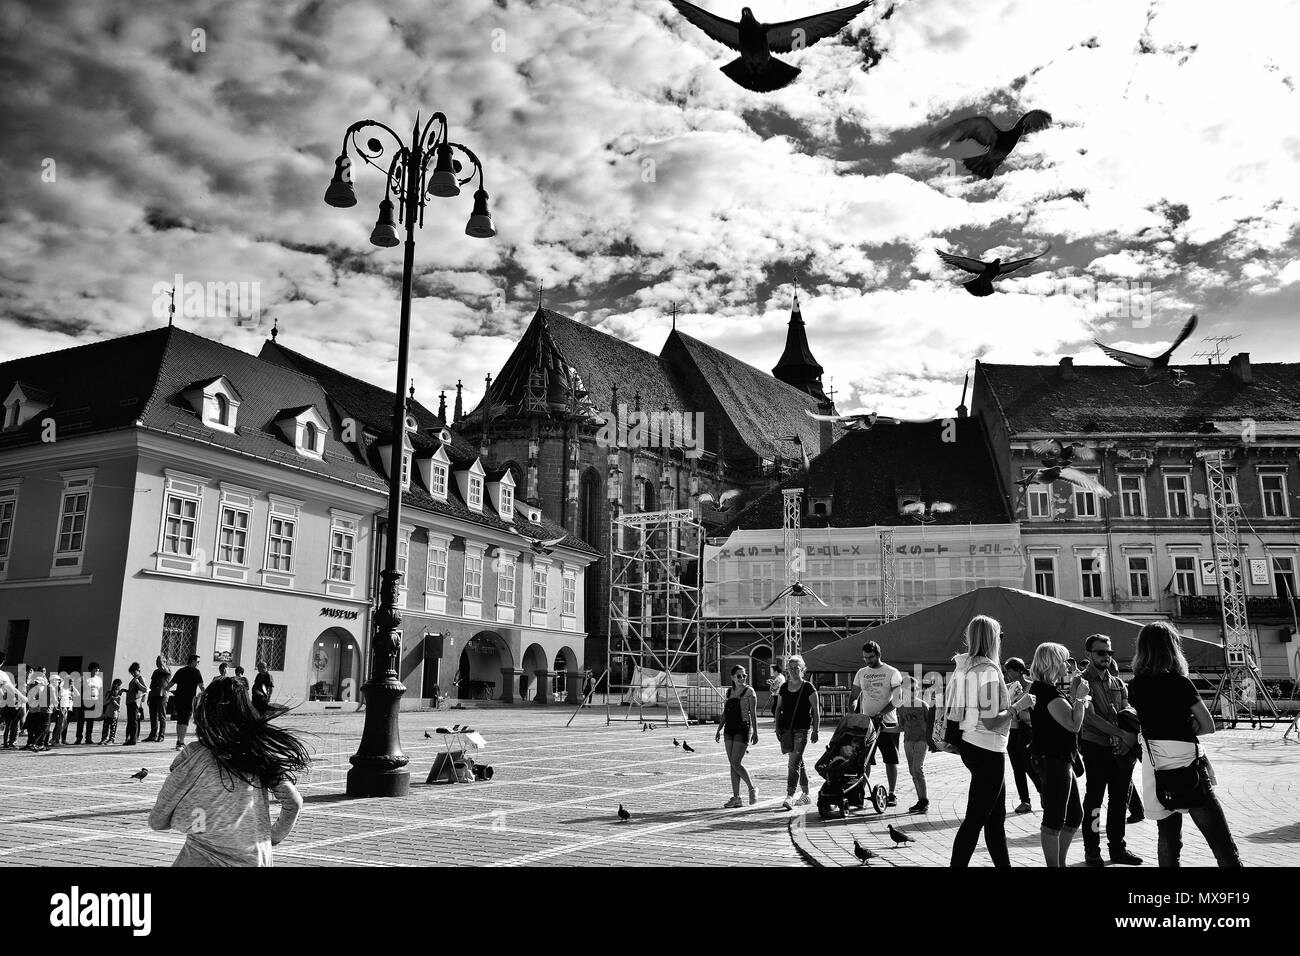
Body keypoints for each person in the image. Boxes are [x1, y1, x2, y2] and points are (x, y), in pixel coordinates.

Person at [148, 676, 309, 866]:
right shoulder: (257, 755)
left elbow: (158, 818)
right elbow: (294, 802)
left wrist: (195, 822)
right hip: (253, 859)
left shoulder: (195, 755)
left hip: (201, 856)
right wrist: (271, 837)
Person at [1129, 622, 1242, 867]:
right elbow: (1208, 725)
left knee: (1169, 838)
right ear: (1172, 648)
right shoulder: (1179, 683)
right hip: (1186, 762)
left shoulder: (1136, 685)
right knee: (1221, 843)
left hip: (1156, 763)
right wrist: (1189, 723)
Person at [948, 615, 1013, 868]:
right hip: (987, 747)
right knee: (976, 819)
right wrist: (1018, 706)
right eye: (1000, 635)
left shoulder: (964, 666)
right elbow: (991, 721)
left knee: (994, 819)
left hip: (970, 742)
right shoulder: (987, 669)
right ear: (992, 639)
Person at [1077, 634, 1142, 867]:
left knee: (1119, 801)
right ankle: (1092, 851)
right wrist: (1120, 734)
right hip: (1096, 747)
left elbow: (1127, 712)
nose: (1106, 657)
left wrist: (1127, 739)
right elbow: (1090, 718)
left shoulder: (1118, 683)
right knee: (1094, 801)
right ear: (1089, 654)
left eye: (1109, 653)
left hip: (1121, 750)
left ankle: (1118, 849)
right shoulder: (1081, 682)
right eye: (1101, 652)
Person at [1028, 642, 1088, 866]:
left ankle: (1059, 862)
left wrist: (1075, 691)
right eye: (1064, 660)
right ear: (1052, 663)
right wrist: (1081, 698)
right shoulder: (1047, 691)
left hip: (1059, 757)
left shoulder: (1046, 688)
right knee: (1054, 819)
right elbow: (1073, 724)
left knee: (1074, 816)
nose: (1068, 664)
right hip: (1052, 758)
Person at [851, 641, 903, 807]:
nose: (868, 660)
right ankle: (860, 793)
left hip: (887, 724)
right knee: (864, 760)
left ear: (879, 654)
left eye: (871, 657)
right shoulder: (861, 672)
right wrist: (852, 710)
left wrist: (882, 713)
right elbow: (854, 696)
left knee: (890, 759)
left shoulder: (892, 672)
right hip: (867, 725)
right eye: (865, 657)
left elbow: (898, 699)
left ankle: (892, 793)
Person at [773, 655, 820, 810]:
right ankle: (806, 794)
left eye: (796, 667)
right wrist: (777, 727)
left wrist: (816, 730)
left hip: (802, 729)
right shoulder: (784, 687)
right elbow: (779, 708)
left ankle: (790, 795)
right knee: (798, 761)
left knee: (793, 763)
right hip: (786, 729)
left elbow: (815, 710)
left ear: (803, 670)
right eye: (791, 667)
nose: (793, 670)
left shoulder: (808, 688)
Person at [715, 664, 759, 807]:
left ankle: (752, 788)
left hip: (743, 728)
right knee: (732, 764)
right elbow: (725, 713)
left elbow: (753, 713)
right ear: (732, 677)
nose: (742, 678)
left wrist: (756, 733)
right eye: (739, 676)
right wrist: (719, 729)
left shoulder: (749, 691)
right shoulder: (729, 692)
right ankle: (736, 798)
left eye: (744, 675)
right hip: (729, 729)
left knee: (736, 762)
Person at [1004, 657, 1042, 814]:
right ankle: (1024, 801)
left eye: (1010, 671)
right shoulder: (1007, 688)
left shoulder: (1033, 687)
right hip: (1012, 730)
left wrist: (1022, 706)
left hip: (1027, 730)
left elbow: (1037, 709)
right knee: (1016, 767)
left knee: (1029, 765)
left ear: (1019, 671)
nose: (1008, 675)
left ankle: (1043, 792)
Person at [896, 675, 937, 813]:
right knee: (912, 772)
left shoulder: (922, 705)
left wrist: (932, 742)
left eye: (915, 689)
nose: (912, 692)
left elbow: (930, 724)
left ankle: (924, 800)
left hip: (921, 740)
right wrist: (884, 729)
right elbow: (901, 726)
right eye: (909, 689)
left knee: (917, 769)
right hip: (908, 741)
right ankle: (920, 800)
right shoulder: (901, 707)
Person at [167, 655, 205, 749]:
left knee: (180, 720)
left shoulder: (180, 671)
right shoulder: (196, 672)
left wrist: (168, 690)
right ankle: (181, 742)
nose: (198, 663)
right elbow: (202, 687)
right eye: (197, 661)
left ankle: (179, 740)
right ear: (192, 661)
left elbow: (169, 685)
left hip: (179, 699)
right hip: (189, 700)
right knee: (185, 721)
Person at [1, 651, 27, 748]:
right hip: (10, 710)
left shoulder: (9, 689)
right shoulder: (11, 690)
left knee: (12, 727)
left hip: (13, 710)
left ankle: (10, 742)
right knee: (10, 727)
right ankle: (8, 742)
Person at [73, 662, 103, 745]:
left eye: (98, 668)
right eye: (95, 668)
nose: (97, 670)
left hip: (93, 701)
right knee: (81, 720)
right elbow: (76, 687)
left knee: (90, 721)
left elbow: (99, 690)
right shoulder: (84, 677)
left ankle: (88, 738)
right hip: (84, 701)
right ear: (91, 669)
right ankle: (78, 738)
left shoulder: (99, 679)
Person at [24, 667, 52, 750]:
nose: (36, 683)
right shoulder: (34, 686)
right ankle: (33, 743)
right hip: (34, 710)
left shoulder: (42, 687)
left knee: (37, 728)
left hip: (38, 710)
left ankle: (37, 743)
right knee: (31, 728)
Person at [146, 655, 172, 742]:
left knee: (162, 716)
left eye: (159, 662)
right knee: (153, 716)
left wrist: (161, 659)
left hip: (162, 695)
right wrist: (149, 696)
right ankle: (153, 735)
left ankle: (161, 735)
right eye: (156, 662)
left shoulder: (167, 670)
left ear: (164, 662)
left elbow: (162, 666)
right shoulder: (155, 672)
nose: (157, 663)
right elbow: (151, 684)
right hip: (153, 694)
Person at [124, 662, 148, 745]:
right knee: (130, 721)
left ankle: (133, 739)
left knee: (134, 721)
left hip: (135, 702)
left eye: (134, 672)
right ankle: (131, 738)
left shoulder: (140, 678)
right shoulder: (134, 678)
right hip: (130, 701)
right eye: (131, 673)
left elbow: (145, 689)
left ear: (138, 670)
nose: (132, 674)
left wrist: (137, 682)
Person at [51, 674, 73, 747]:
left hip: (66, 707)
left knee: (64, 724)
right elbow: (59, 698)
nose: (71, 684)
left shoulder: (68, 689)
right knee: (60, 725)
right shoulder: (61, 688)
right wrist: (59, 708)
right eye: (70, 682)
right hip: (62, 707)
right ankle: (56, 740)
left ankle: (54, 738)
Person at [99, 679, 123, 744]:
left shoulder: (119, 696)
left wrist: (114, 701)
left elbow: (118, 706)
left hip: (114, 714)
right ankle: (104, 738)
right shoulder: (109, 693)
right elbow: (104, 702)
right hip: (107, 714)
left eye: (118, 686)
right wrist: (110, 699)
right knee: (105, 727)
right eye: (114, 689)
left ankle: (111, 739)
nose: (115, 691)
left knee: (113, 728)